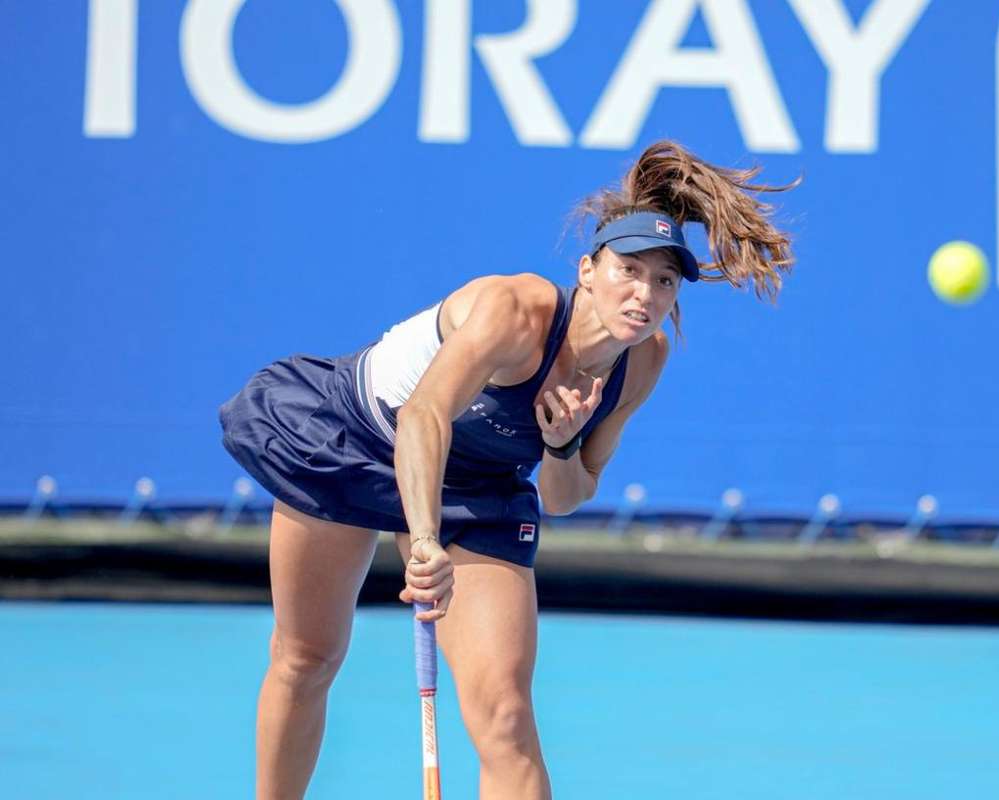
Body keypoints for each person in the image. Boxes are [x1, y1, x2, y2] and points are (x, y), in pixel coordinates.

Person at [218, 140, 797, 800]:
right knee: (307, 657)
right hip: (355, 438)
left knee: (506, 716)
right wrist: (425, 540)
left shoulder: (643, 363)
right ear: (588, 269)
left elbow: (568, 494)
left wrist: (558, 446)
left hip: (480, 487)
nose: (645, 293)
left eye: (664, 280)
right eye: (629, 270)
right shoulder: (514, 312)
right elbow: (422, 418)